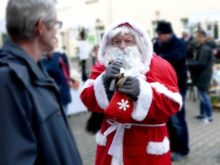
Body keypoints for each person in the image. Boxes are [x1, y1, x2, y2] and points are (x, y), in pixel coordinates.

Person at [80, 20, 182, 165]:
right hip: (111, 143)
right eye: (117, 42)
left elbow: (173, 104)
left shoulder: (160, 66)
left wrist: (142, 92)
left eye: (128, 41)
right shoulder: (102, 68)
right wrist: (103, 82)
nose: (122, 46)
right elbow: (87, 99)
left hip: (146, 144)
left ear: (140, 43)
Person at [0, 0, 82, 164]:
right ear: (41, 27)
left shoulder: (34, 70)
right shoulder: (8, 80)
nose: (56, 33)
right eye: (55, 25)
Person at [153, 21, 190, 161]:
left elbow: (176, 57)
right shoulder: (158, 44)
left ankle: (183, 149)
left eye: (160, 34)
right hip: (163, 87)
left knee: (178, 120)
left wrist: (158, 58)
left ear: (167, 34)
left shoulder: (179, 44)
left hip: (178, 87)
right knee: (168, 120)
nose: (158, 37)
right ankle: (172, 147)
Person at [187, 30, 214, 124]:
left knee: (204, 96)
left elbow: (201, 63)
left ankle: (209, 116)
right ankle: (202, 114)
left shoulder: (205, 49)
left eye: (197, 36)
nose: (195, 38)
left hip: (204, 75)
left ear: (203, 37)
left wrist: (188, 64)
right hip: (201, 75)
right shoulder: (201, 48)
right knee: (202, 96)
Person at [41, 46, 72, 115]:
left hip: (64, 94)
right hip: (55, 97)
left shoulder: (60, 59)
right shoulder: (44, 61)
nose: (53, 51)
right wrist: (56, 55)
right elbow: (53, 69)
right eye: (51, 49)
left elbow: (67, 70)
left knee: (64, 115)